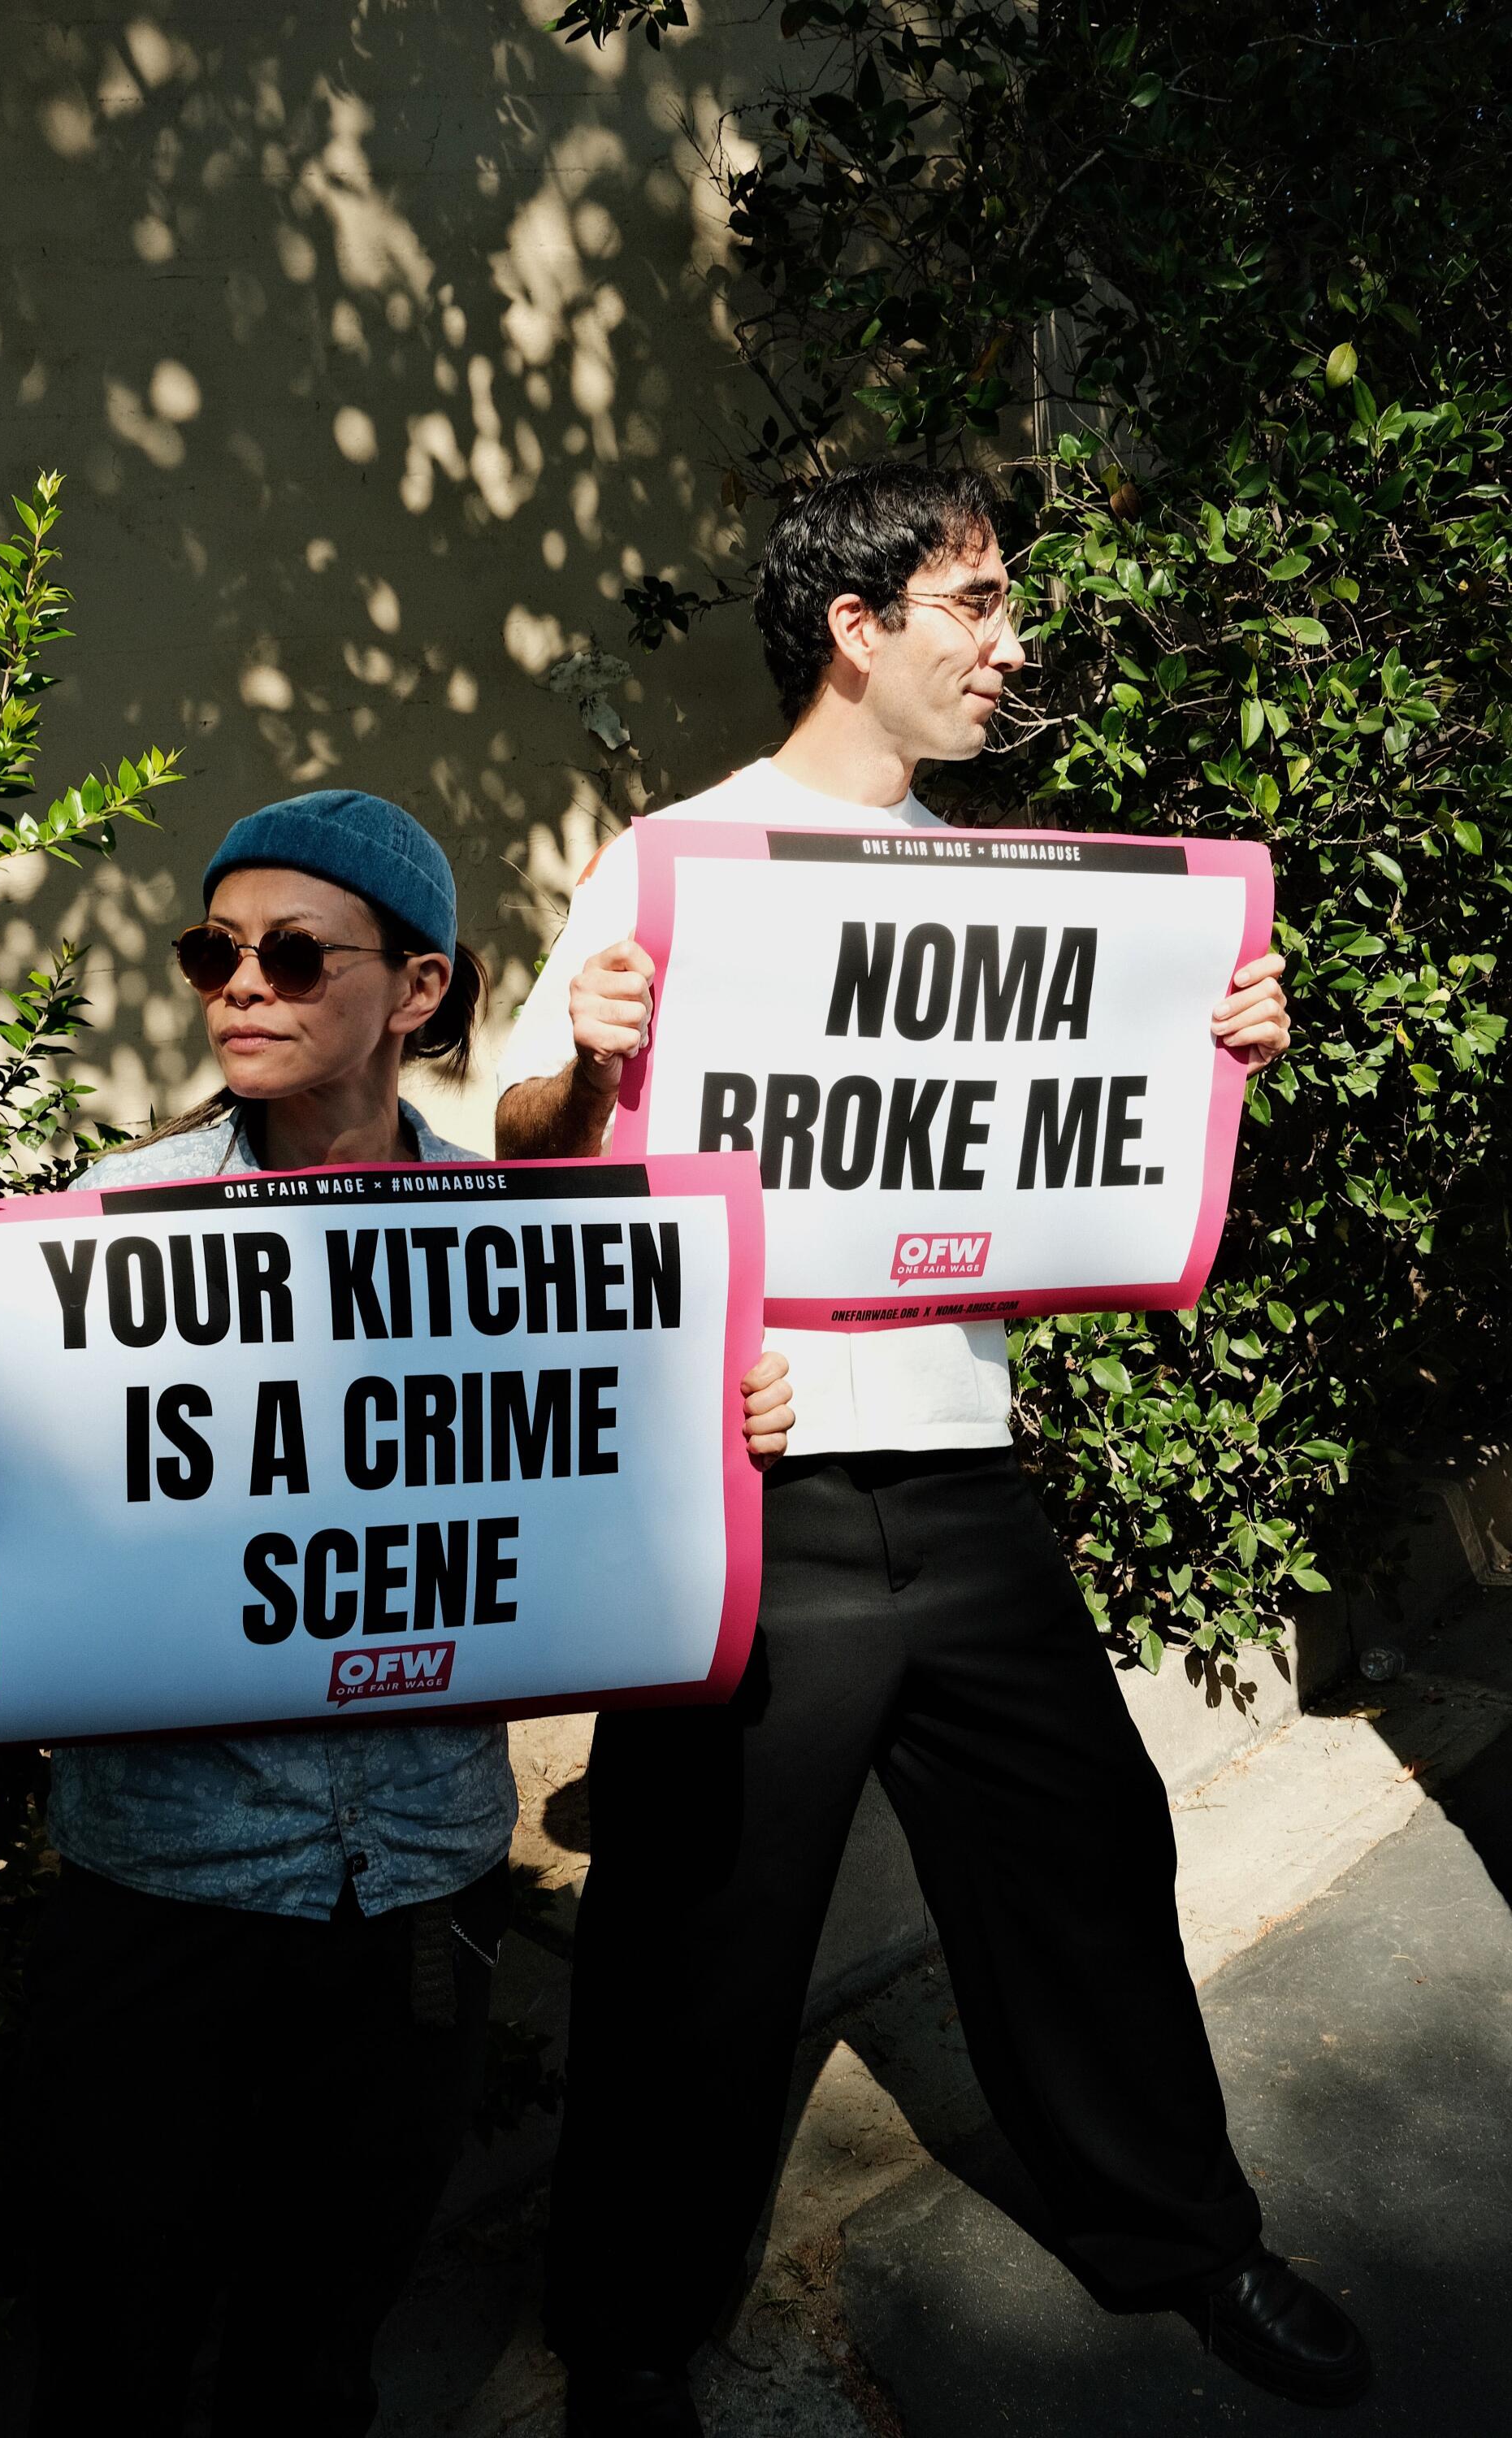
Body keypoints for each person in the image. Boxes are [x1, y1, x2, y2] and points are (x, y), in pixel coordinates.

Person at [493, 465, 1371, 2436]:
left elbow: (1095, 1151)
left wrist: (1210, 1039)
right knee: (694, 1933)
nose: (1009, 642)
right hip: (740, 1494)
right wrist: (587, 1062)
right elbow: (525, 1163)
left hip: (962, 1477)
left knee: (1086, 1860)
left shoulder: (1017, 893)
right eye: (971, 603)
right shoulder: (672, 864)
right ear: (854, 627)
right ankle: (631, 2332)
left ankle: (1188, 2241)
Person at [0, 787, 795, 2438]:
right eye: (213, 952)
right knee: (115, 2335)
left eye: (296, 954)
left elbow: (605, 1481)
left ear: (421, 990)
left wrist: (713, 1436)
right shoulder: (99, 1238)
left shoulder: (536, 1252)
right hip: (159, 1895)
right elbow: (43, 1534)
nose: (244, 984)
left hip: (415, 1904)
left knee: (321, 2344)